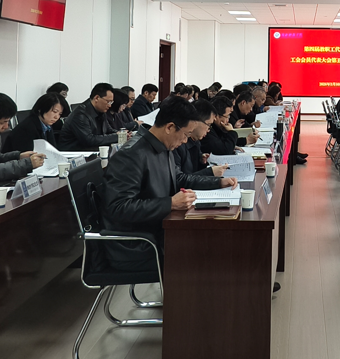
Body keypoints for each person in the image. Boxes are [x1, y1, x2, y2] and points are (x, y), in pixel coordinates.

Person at [102, 96, 238, 271]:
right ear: (170, 127)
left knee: (217, 240)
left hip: (159, 229)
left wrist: (217, 182)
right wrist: (170, 203)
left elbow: (179, 178)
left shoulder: (162, 146)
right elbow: (118, 208)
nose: (185, 141)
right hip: (137, 243)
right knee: (208, 250)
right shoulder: (131, 155)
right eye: (186, 134)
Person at [58, 83, 119, 151]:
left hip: (90, 151)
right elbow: (89, 140)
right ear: (96, 98)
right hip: (74, 152)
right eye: (108, 102)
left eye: (111, 102)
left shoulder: (101, 111)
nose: (110, 105)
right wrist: (117, 136)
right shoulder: (80, 114)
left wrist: (123, 134)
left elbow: (108, 130)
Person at [177, 100, 229, 177]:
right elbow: (180, 179)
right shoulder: (177, 143)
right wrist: (210, 172)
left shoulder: (196, 141)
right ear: (196, 121)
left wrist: (201, 160)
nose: (209, 130)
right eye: (208, 125)